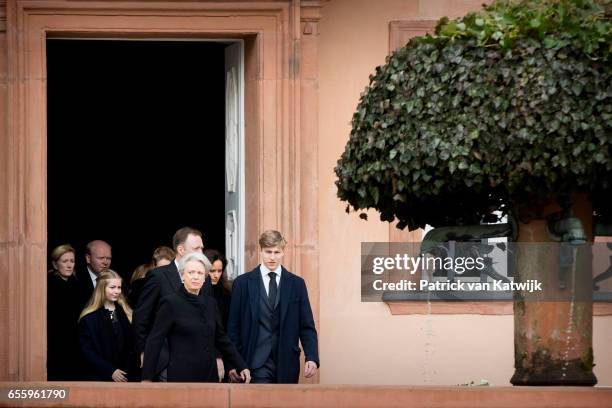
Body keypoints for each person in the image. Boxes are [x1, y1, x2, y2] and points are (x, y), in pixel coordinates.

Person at [227, 230, 319, 384]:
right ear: (260, 251)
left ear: (283, 252)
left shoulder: (296, 284)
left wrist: (312, 357)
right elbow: (233, 327)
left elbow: (306, 325)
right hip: (254, 362)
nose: (272, 257)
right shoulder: (242, 283)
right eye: (268, 251)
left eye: (277, 252)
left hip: (286, 361)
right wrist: (232, 363)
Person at [142, 252, 250, 383]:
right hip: (182, 376)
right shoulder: (170, 303)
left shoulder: (211, 303)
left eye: (200, 273)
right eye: (191, 272)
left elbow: (221, 338)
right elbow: (155, 341)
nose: (195, 277)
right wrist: (147, 378)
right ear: (182, 276)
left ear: (205, 278)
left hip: (209, 375)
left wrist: (241, 365)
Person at [133, 227, 212, 380]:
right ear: (181, 249)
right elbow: (141, 316)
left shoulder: (204, 278)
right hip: (165, 360)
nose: (201, 252)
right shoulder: (158, 276)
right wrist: (144, 352)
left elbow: (211, 321)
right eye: (196, 248)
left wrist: (217, 357)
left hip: (199, 362)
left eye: (202, 248)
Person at [78, 269, 139, 382]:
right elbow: (87, 351)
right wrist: (110, 370)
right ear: (102, 288)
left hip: (127, 376)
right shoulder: (89, 318)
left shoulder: (127, 313)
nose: (117, 291)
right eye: (112, 287)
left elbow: (132, 346)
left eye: (119, 287)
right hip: (100, 377)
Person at [47, 244, 84, 380]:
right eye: (65, 261)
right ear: (55, 264)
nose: (69, 265)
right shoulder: (50, 284)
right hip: (57, 341)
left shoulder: (76, 284)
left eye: (72, 261)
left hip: (75, 340)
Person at [76, 240, 112, 307]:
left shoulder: (115, 279)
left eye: (109, 258)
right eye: (101, 258)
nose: (105, 262)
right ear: (88, 258)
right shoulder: (76, 280)